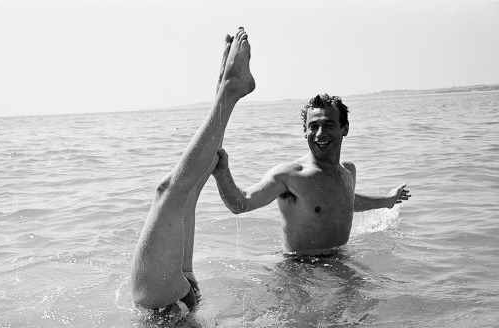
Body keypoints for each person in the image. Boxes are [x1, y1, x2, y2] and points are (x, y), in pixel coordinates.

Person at [131, 28, 255, 312]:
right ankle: (227, 90)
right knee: (177, 189)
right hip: (173, 304)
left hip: (169, 307)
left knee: (180, 189)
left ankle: (228, 89)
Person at [213, 94, 411, 254]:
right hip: (300, 269)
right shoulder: (290, 176)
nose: (320, 134)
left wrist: (387, 200)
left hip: (339, 259)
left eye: (329, 125)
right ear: (304, 131)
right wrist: (222, 173)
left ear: (345, 128)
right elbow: (241, 203)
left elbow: (344, 202)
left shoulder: (348, 171)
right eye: (313, 126)